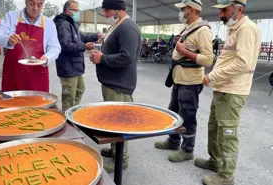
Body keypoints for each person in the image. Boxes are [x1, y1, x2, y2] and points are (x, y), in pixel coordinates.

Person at [197, 1, 260, 184]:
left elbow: (243, 63)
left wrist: (213, 76)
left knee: (227, 134)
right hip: (223, 89)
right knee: (214, 129)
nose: (220, 14)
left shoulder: (246, 29)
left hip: (232, 91)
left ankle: (226, 176)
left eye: (224, 10)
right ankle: (215, 162)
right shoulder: (235, 28)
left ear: (238, 9)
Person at [154, 0, 213, 162]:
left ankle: (187, 150)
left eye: (183, 9)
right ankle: (173, 141)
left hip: (191, 81)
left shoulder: (203, 31)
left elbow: (208, 59)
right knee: (174, 111)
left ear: (193, 10)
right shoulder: (190, 28)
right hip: (179, 78)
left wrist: (184, 52)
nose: (181, 12)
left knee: (188, 115)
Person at [89, 0, 141, 173]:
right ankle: (114, 150)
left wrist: (102, 59)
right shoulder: (118, 24)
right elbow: (113, 51)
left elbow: (127, 57)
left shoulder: (127, 27)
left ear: (118, 9)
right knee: (111, 121)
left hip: (120, 85)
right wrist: (99, 55)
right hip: (112, 82)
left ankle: (122, 158)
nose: (106, 14)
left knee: (119, 122)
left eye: (108, 11)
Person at [0, 0, 61, 92]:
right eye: (32, 4)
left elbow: (55, 47)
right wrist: (8, 40)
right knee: (13, 104)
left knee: (37, 105)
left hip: (38, 76)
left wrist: (47, 57)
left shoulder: (49, 24)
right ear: (25, 2)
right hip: (13, 75)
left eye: (39, 5)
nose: (35, 8)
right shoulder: (12, 17)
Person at [53, 0, 102, 112]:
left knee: (80, 89)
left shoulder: (71, 24)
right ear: (67, 11)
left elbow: (82, 36)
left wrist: (96, 35)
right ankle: (67, 116)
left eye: (78, 10)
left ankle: (70, 112)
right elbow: (66, 45)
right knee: (69, 96)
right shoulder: (63, 25)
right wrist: (84, 46)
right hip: (68, 67)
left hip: (75, 66)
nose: (77, 13)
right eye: (75, 10)